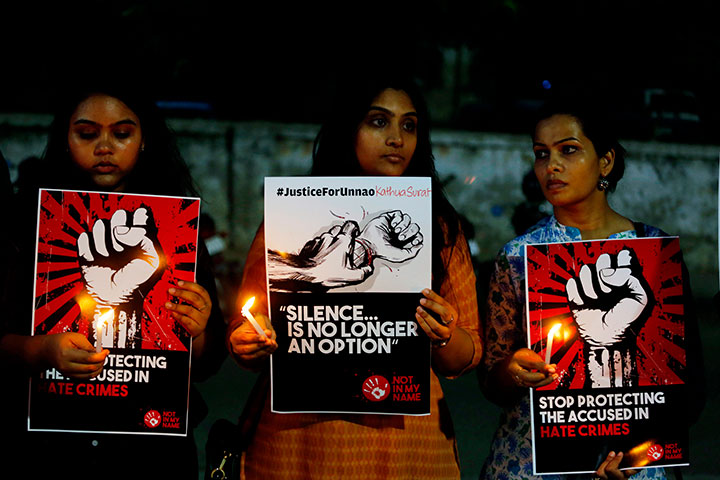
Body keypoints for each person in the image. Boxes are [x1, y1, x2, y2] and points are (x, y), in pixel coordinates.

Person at [227, 76, 482, 479]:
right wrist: (246, 343)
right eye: (379, 122)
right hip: (299, 444)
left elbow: (469, 353)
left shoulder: (439, 225)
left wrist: (443, 332)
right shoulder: (292, 216)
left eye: (409, 125)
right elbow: (248, 327)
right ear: (348, 129)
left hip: (408, 445)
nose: (397, 138)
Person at [2, 85, 226, 479]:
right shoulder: (28, 224)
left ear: (143, 141)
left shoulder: (177, 230)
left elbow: (207, 361)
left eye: (121, 134)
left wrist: (199, 330)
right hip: (49, 448)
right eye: (87, 134)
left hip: (151, 451)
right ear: (64, 139)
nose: (104, 146)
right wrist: (40, 351)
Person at [479, 96, 704, 479]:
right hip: (530, 465)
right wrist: (514, 371)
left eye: (569, 150)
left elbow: (688, 391)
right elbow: (490, 380)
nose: (552, 166)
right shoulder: (517, 257)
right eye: (541, 153)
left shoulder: (655, 255)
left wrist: (637, 459)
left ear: (606, 161)